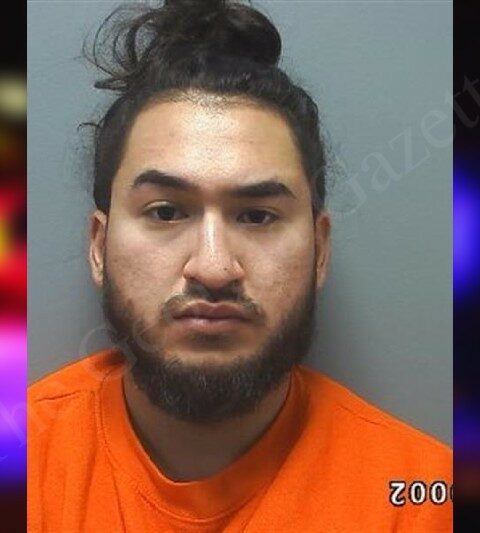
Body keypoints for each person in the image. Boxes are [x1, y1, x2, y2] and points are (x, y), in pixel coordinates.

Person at [28, 1, 452, 530]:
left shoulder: (424, 500)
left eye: (256, 215)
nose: (213, 268)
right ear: (99, 246)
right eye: (166, 212)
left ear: (320, 251)